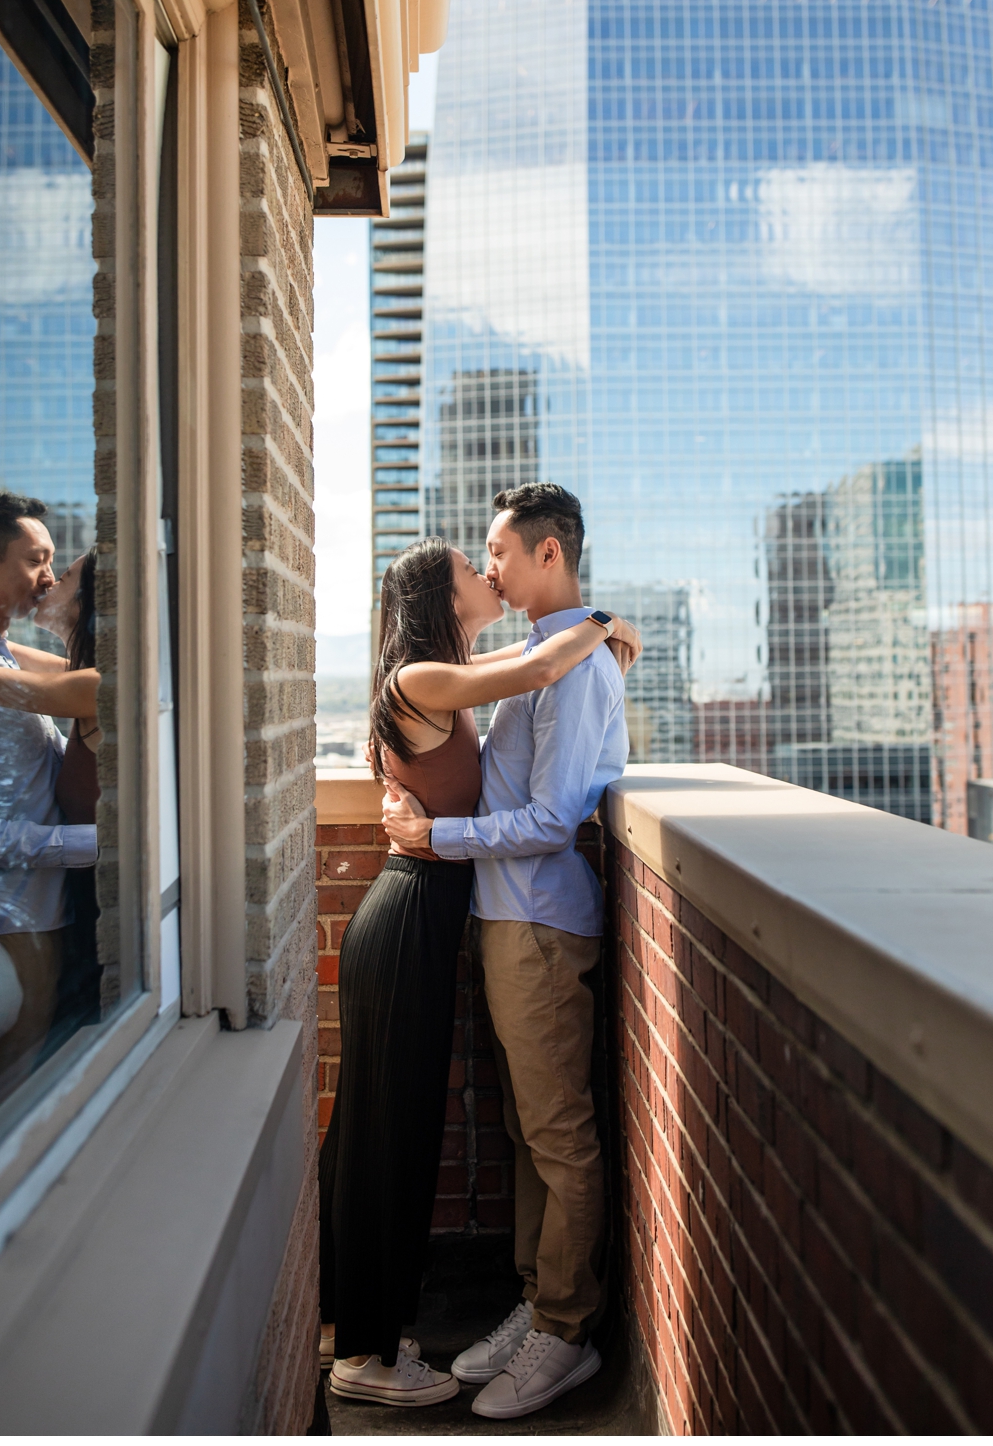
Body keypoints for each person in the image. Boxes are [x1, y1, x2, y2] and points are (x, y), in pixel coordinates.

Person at [324, 537, 640, 1408]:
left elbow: (533, 660)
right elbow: (538, 670)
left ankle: (529, 1319)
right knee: (388, 1134)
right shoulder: (427, 679)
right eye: (474, 563)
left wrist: (593, 628)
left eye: (493, 554)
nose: (487, 572)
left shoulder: (446, 673)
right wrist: (605, 623)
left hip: (441, 915)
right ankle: (367, 1349)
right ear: (442, 592)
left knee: (415, 1128)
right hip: (414, 911)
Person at [0, 491, 99, 1105]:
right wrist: (86, 847)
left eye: (60, 565)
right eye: (36, 559)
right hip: (0, 927)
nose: (49, 577)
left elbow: (88, 680)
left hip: (52, 919)